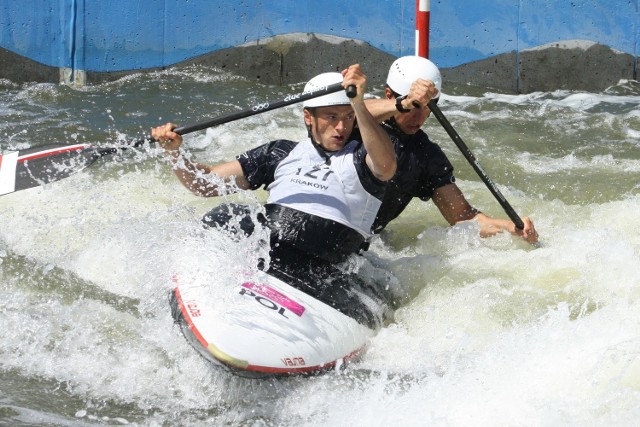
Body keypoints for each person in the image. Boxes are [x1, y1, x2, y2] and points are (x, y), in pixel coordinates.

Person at [151, 64, 396, 328]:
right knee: (224, 214)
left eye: (348, 118)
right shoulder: (279, 153)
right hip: (268, 250)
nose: (341, 127)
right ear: (308, 117)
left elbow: (386, 166)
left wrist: (358, 103)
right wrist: (175, 153)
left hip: (326, 265)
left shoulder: (364, 156)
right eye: (331, 116)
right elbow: (205, 183)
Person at [363, 55, 538, 243]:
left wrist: (508, 227)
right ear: (389, 95)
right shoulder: (348, 126)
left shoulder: (426, 155)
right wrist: (403, 103)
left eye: (428, 107)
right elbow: (353, 110)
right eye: (414, 107)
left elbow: (463, 216)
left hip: (364, 244)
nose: (420, 117)